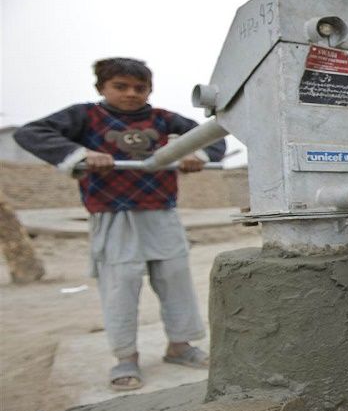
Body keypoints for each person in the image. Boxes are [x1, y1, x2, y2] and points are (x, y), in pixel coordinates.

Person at [14, 57, 226, 391]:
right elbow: (30, 133)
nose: (131, 93)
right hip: (114, 215)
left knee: (176, 281)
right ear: (102, 87)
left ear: (150, 90)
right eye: (120, 86)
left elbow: (214, 136)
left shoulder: (163, 119)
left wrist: (195, 156)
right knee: (120, 287)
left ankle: (180, 346)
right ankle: (126, 356)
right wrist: (81, 154)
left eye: (140, 88)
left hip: (162, 212)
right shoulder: (86, 116)